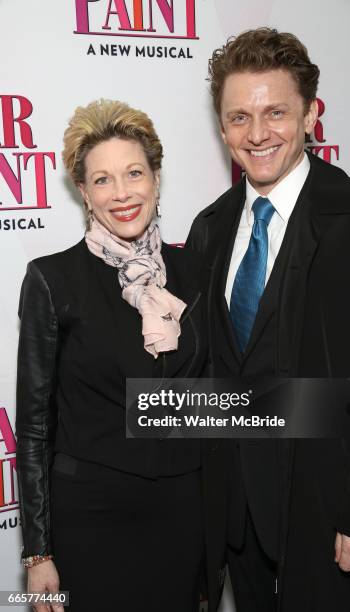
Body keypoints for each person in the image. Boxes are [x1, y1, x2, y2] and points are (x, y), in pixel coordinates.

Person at [186, 27, 350, 612]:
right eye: (239, 116)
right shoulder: (209, 229)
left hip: (332, 520)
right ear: (222, 128)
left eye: (276, 112)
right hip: (236, 524)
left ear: (312, 115)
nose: (258, 133)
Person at [16, 99, 207, 612]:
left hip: (183, 512)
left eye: (134, 173)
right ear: (83, 192)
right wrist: (37, 554)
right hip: (92, 515)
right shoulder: (53, 279)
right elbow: (34, 425)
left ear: (156, 178)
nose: (121, 193)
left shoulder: (194, 273)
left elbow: (212, 400)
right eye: (102, 180)